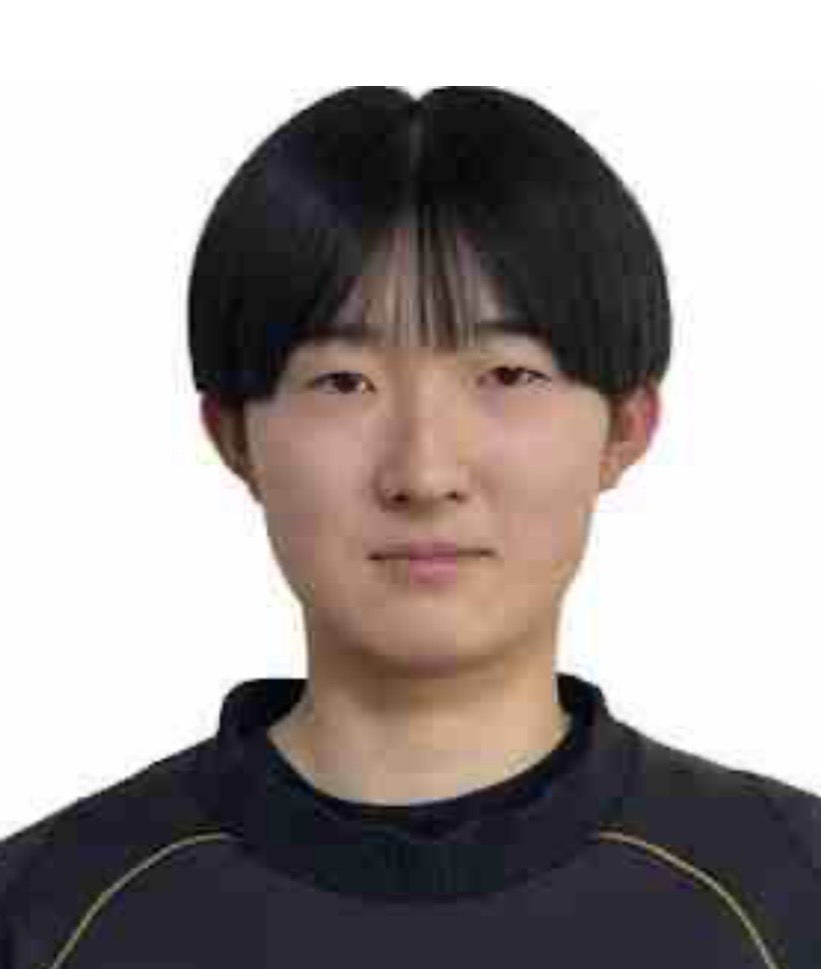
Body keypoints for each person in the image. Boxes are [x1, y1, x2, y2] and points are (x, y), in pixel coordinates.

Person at [1, 85, 819, 967]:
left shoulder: (789, 895)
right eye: (342, 381)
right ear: (234, 434)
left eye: (506, 375)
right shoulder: (47, 915)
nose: (424, 473)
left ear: (625, 427)